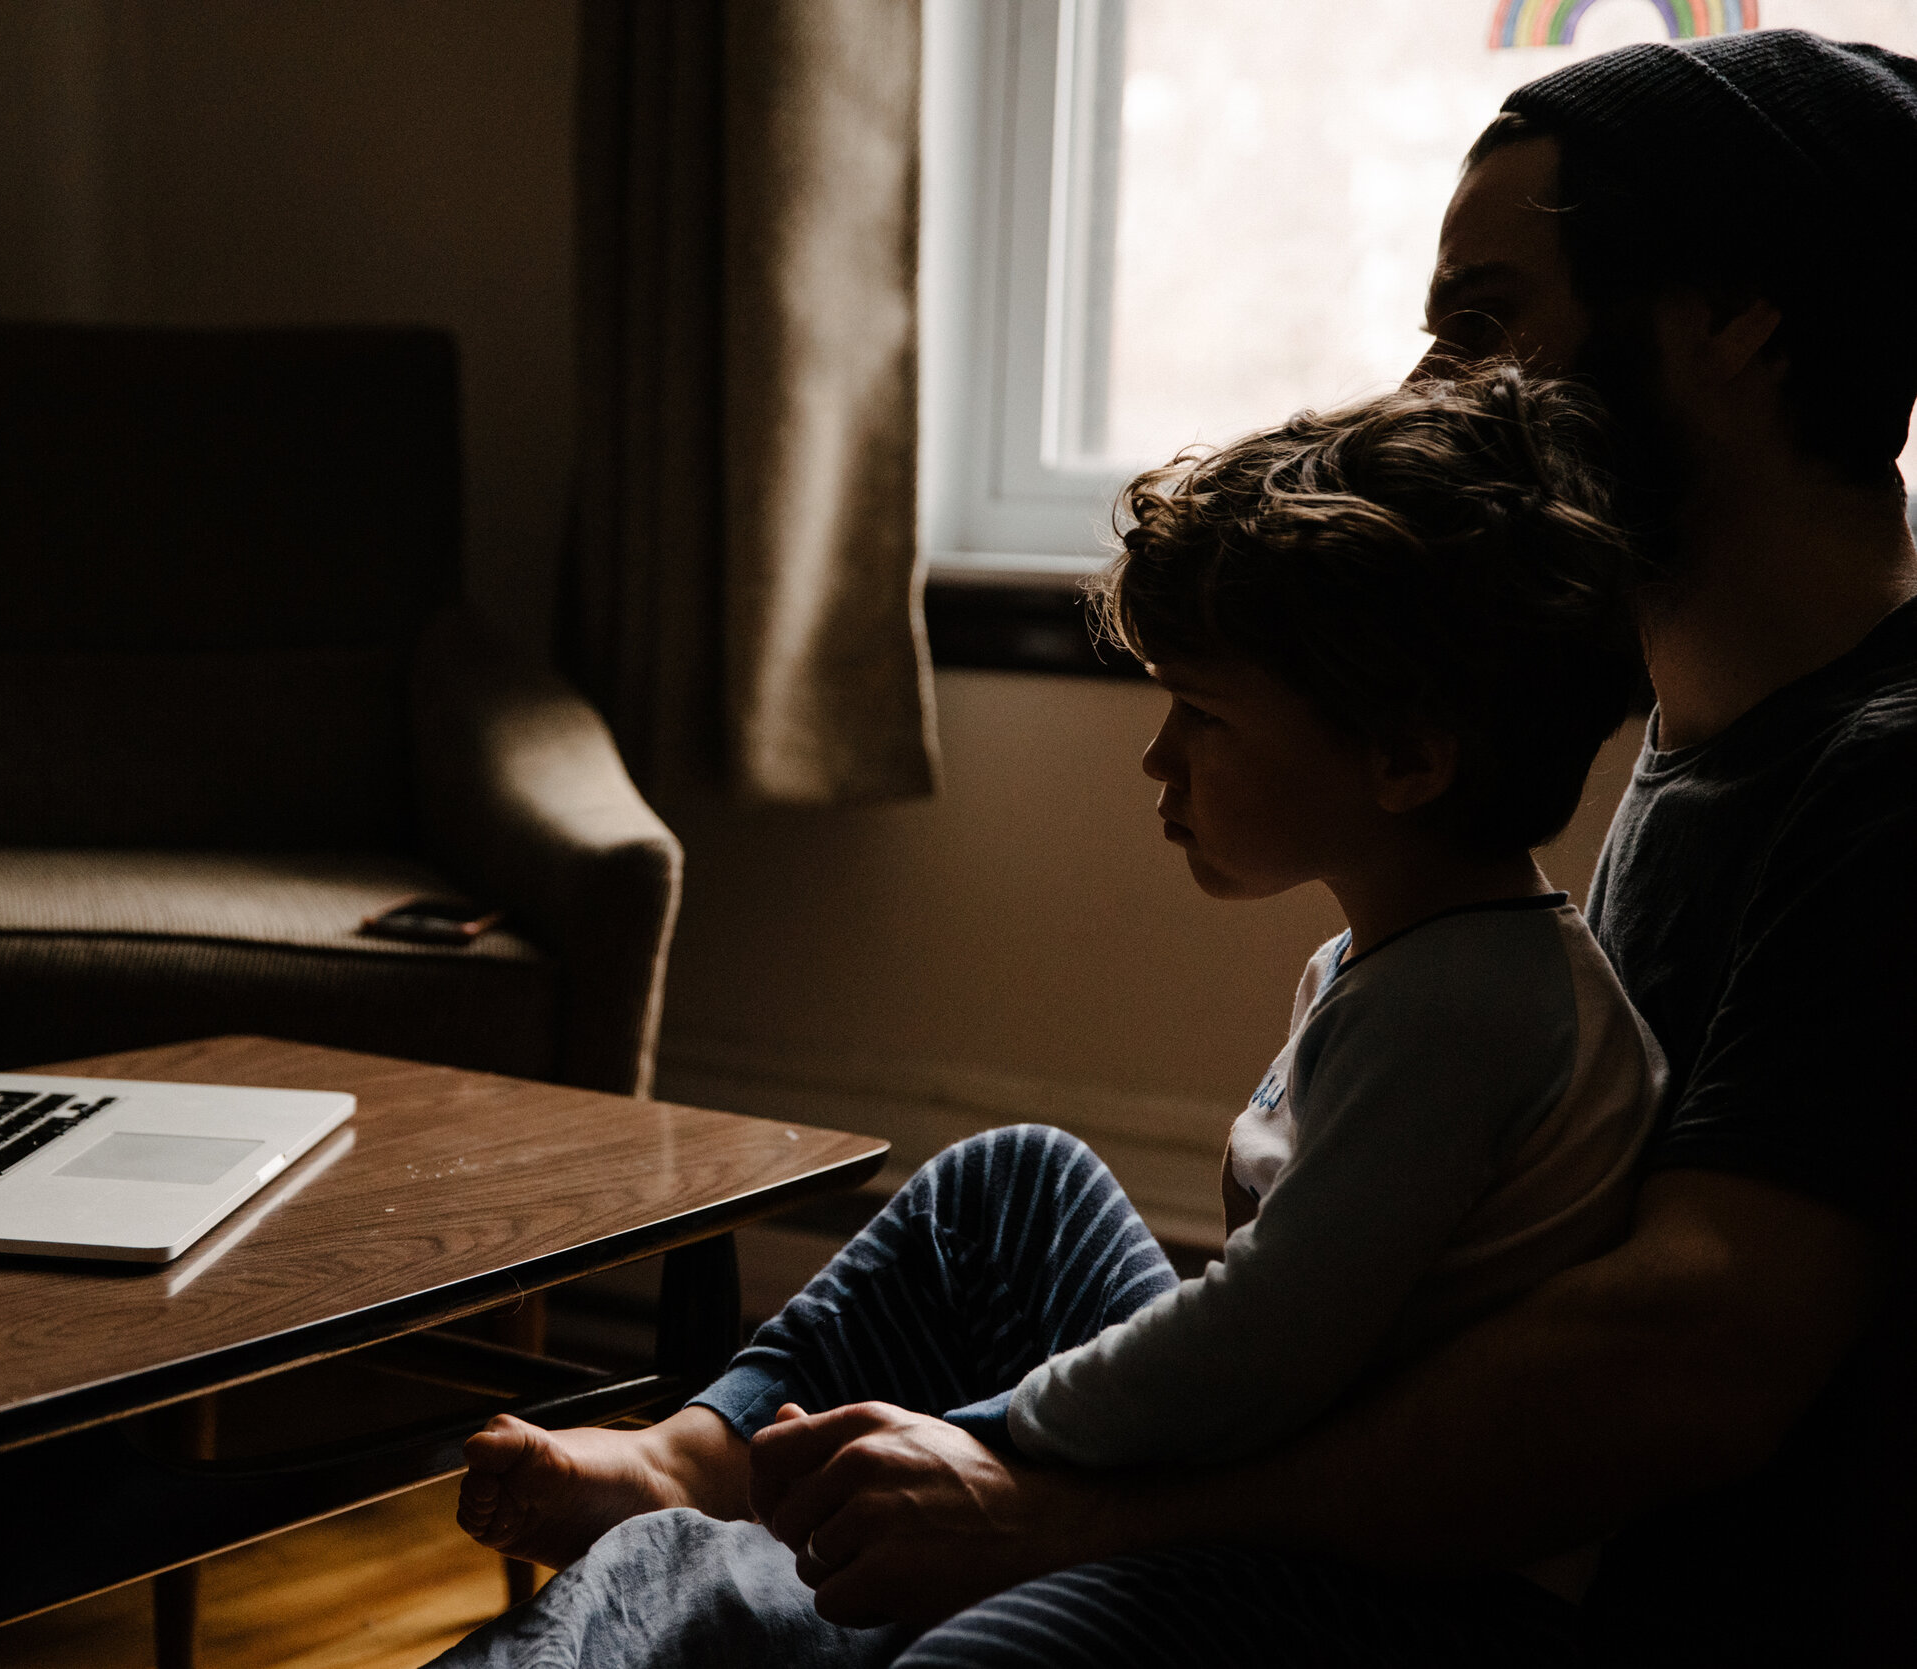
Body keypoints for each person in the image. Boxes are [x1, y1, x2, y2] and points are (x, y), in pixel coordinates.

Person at [443, 28, 1917, 1666]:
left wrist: (1050, 1505)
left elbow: (1672, 1367)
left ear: (1739, 322)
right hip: (1369, 1423)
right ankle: (703, 1484)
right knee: (1010, 1198)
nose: (1436, 394)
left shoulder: (1889, 780)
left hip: (1520, 1593)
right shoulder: (1683, 732)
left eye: (1486, 328)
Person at [443, 366, 1665, 1664]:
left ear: (1408, 759)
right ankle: (698, 1455)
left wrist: (981, 1444)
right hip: (1279, 1478)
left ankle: (765, 1538)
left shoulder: (1465, 1011)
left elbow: (1255, 1352)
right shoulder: (1403, 963)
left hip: (1393, 1589)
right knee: (1013, 1185)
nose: (1156, 756)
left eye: (1199, 712)